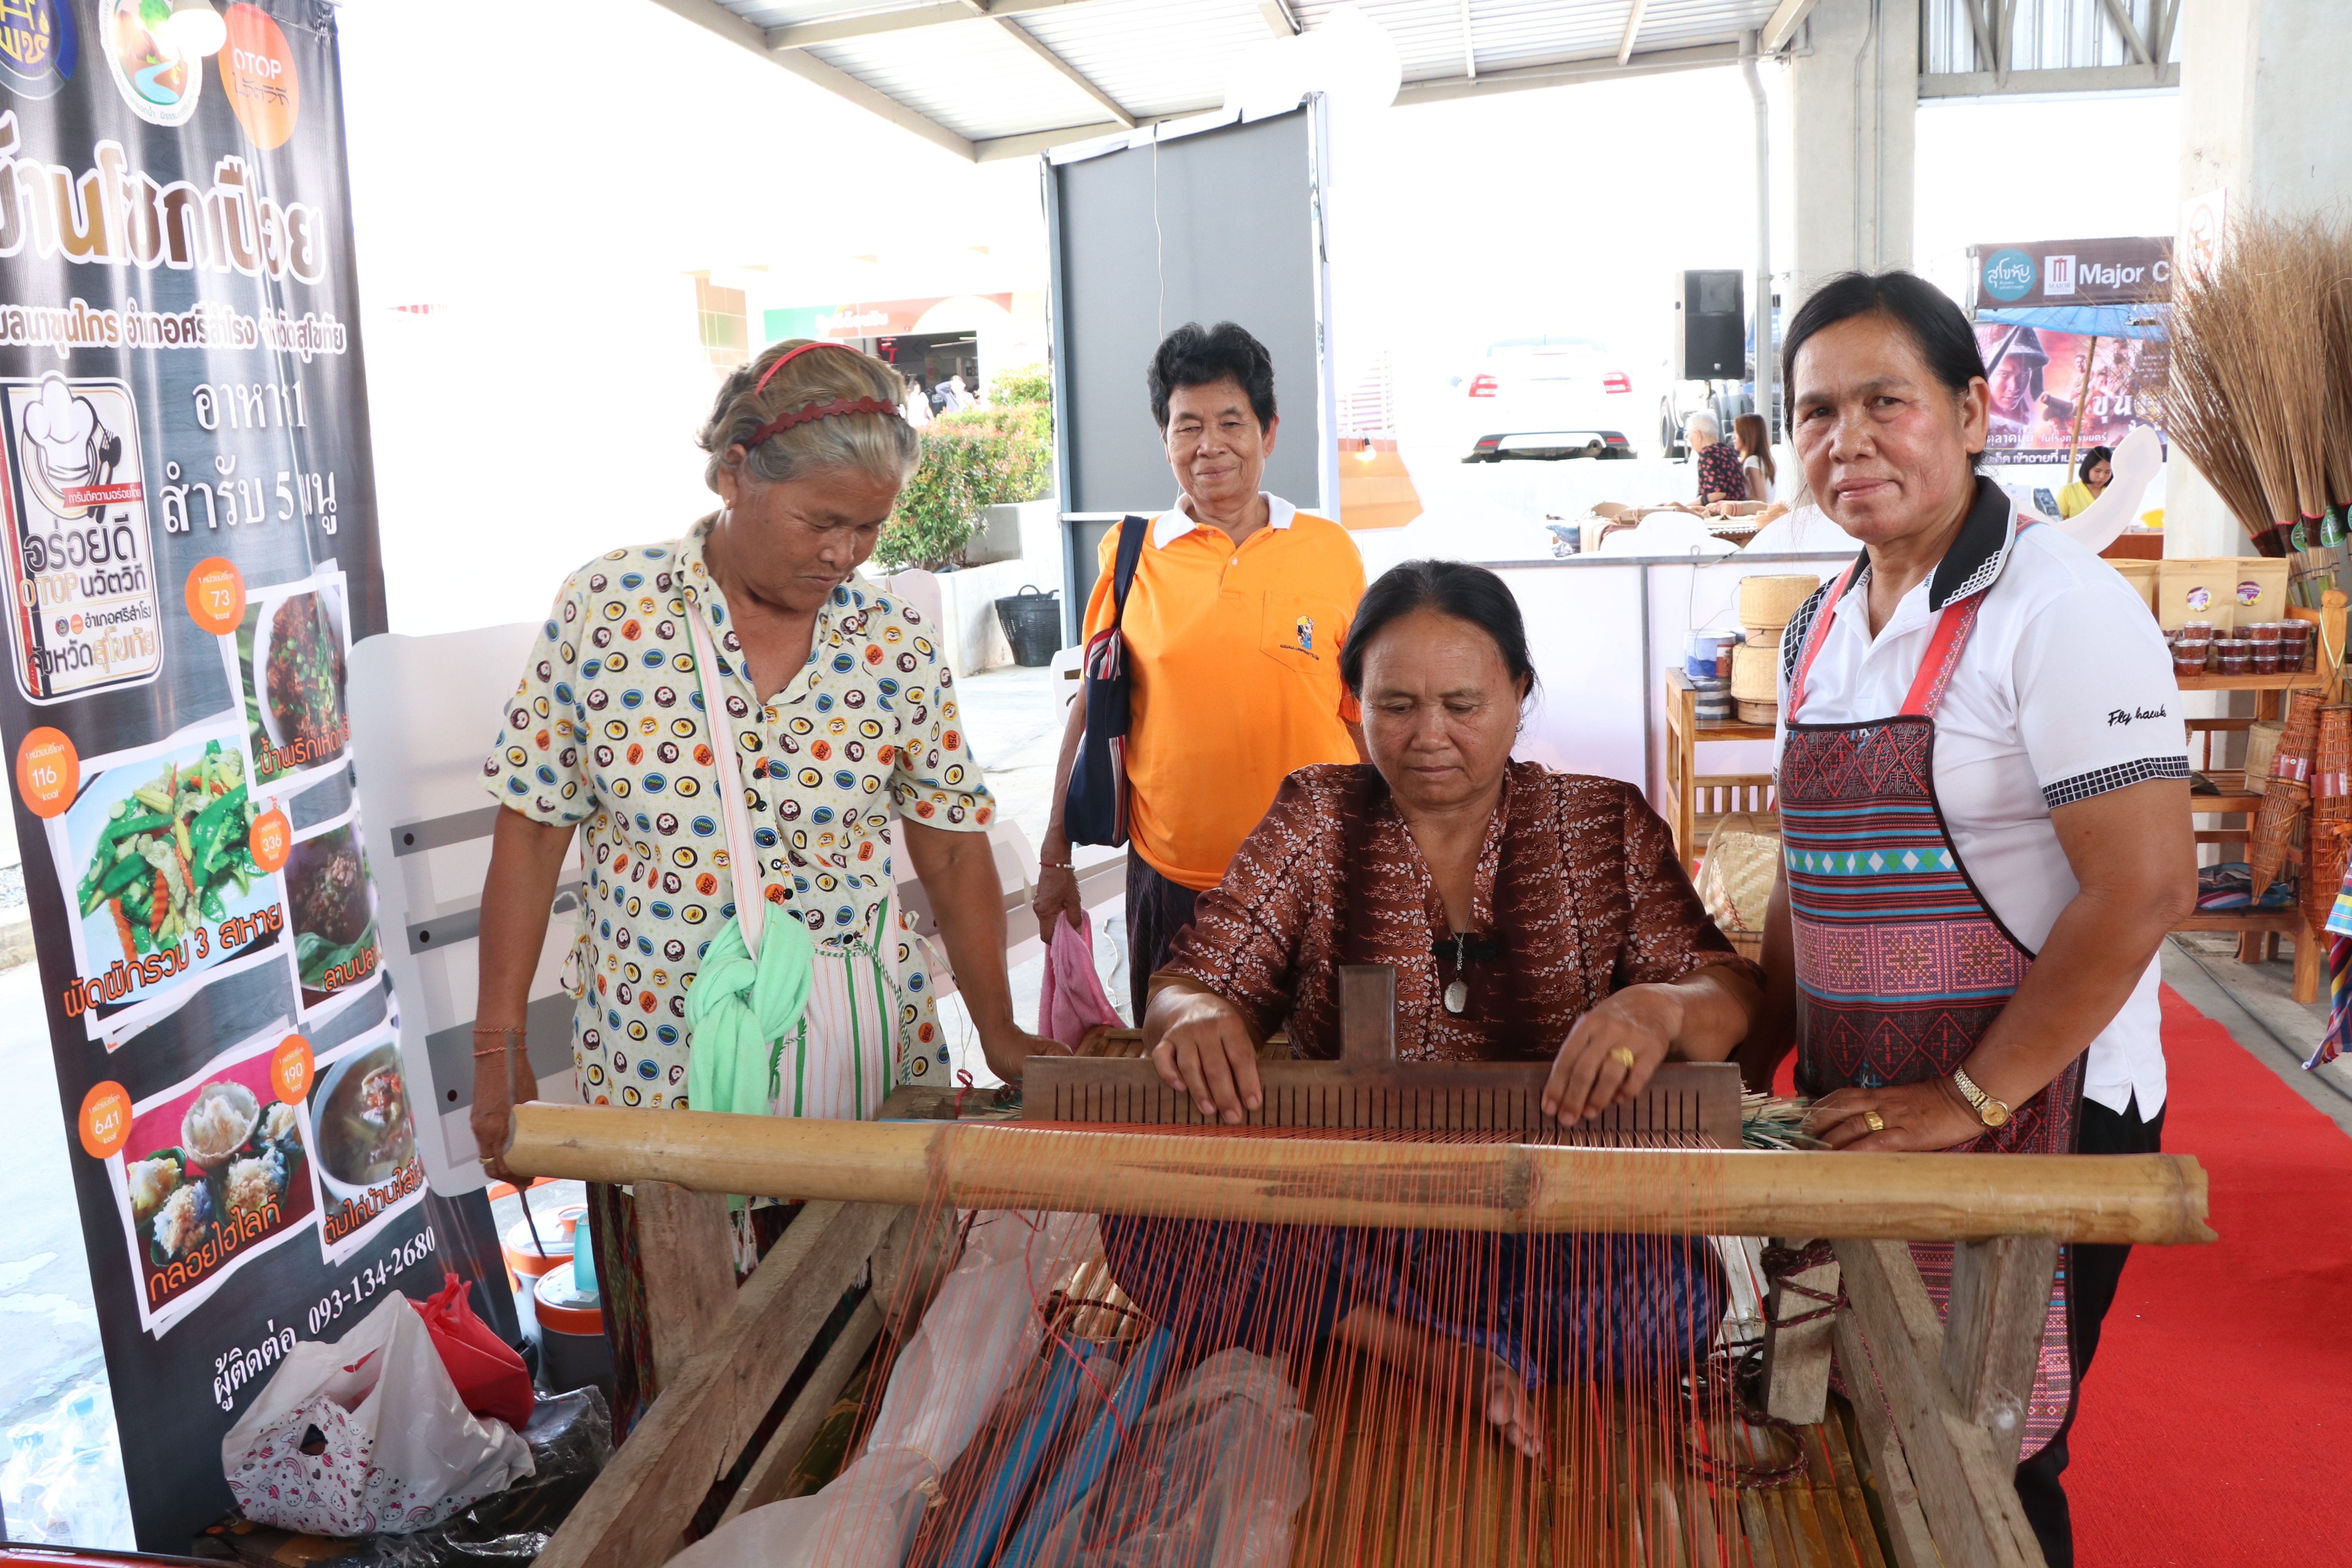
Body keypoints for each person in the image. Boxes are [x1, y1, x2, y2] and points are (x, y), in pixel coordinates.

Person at [472, 338, 1048, 1432]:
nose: (844, 551)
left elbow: (955, 846)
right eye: (819, 521)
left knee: (865, 1365)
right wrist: (498, 1050)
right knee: (688, 1391)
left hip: (860, 1065)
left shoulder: (889, 640)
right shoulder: (612, 611)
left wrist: (1001, 1028)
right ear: (735, 474)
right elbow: (532, 829)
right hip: (660, 1074)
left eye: (869, 527)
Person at [1105, 559, 1762, 1457]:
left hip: (1549, 1215)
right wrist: (1192, 1017)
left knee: (1666, 1303)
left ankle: (1390, 1328)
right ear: (1354, 702)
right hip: (1351, 1208)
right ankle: (1410, 1345)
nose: (1429, 735)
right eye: (1397, 705)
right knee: (1148, 1222)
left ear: (1519, 691)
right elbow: (1194, 979)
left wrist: (1657, 1007)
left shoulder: (1599, 824)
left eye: (1463, 703)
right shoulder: (1317, 816)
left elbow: (1723, 989)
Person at [1746, 272, 2193, 1565]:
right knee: (1849, 1415)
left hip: (2037, 1106)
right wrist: (1750, 1049)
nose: (1851, 441)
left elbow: (2146, 888)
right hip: (1862, 1103)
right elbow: (1808, 872)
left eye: (1888, 401)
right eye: (1817, 411)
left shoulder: (2060, 611)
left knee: (1988, 1450)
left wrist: (1977, 1095)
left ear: (1976, 410)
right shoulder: (1823, 624)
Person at [1034, 321, 1367, 1018]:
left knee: (1320, 1088)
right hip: (1177, 884)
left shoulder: (1330, 550)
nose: (1209, 446)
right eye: (1187, 426)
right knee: (1187, 1087)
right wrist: (1053, 853)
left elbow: (1364, 712)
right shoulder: (1131, 553)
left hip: (1316, 879)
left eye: (1230, 422)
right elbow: (1092, 709)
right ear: (1165, 440)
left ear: (1269, 432)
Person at [1686, 411, 1744, 503]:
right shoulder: (1729, 451)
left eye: (1689, 436)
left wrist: (1689, 506)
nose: (1690, 441)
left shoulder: (1707, 454)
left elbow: (1718, 493)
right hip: (1737, 509)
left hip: (1722, 514)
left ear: (1698, 435)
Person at [2056, 445, 2112, 519]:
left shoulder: (2115, 491)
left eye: (2108, 472)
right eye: (2097, 471)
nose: (2102, 476)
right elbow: (2056, 521)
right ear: (2088, 468)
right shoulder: (2069, 491)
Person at [1734, 412, 1777, 503]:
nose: (1733, 437)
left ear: (1747, 435)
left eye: (1737, 433)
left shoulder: (1752, 462)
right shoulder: (1765, 460)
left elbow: (1761, 499)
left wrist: (1735, 498)